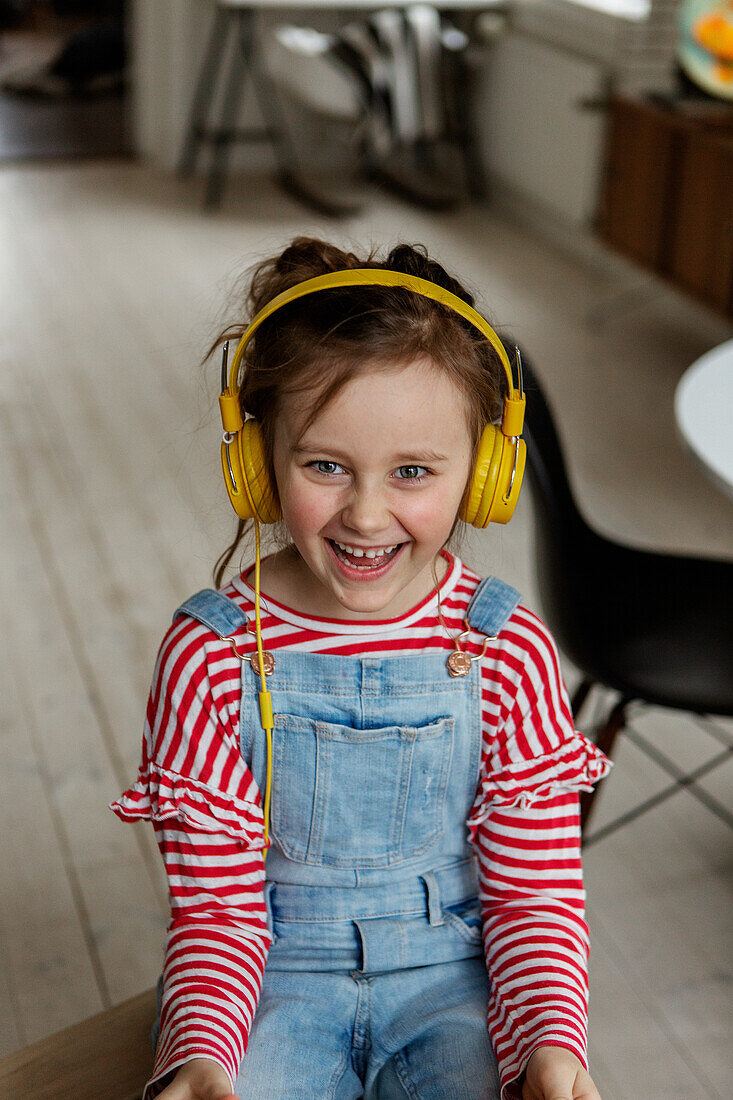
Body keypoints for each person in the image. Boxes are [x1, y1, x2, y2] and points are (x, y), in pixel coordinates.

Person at [111, 237, 611, 1100]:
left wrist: (549, 1048)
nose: (367, 513)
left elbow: (533, 902)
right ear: (255, 464)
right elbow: (218, 916)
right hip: (271, 976)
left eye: (413, 470)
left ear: (487, 473)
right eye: (324, 466)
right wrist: (200, 1056)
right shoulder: (210, 653)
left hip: (455, 978)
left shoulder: (505, 645)